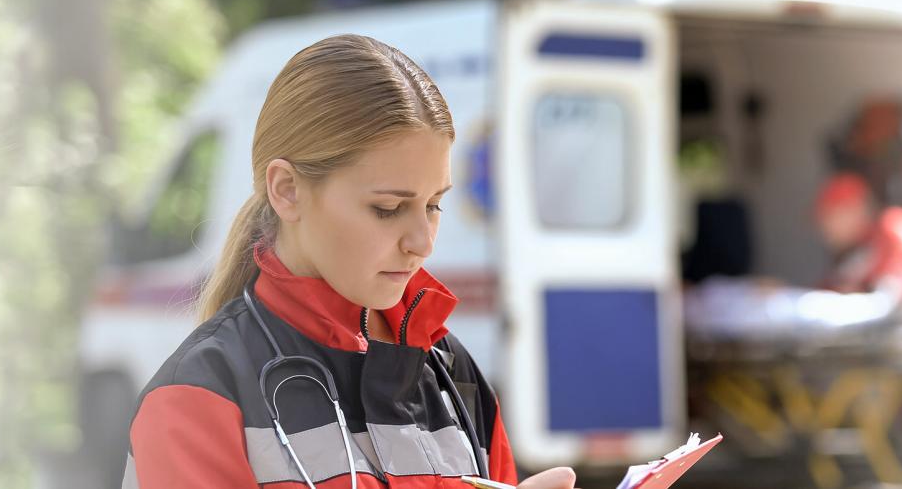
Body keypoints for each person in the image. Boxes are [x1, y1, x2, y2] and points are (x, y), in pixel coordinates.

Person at [123, 35, 575, 489]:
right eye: (387, 208)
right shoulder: (196, 397)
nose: (423, 243)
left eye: (434, 205)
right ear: (287, 190)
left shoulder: (452, 372)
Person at [812, 172, 902, 293]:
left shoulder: (893, 225)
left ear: (854, 209)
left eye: (829, 217)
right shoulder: (859, 247)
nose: (824, 228)